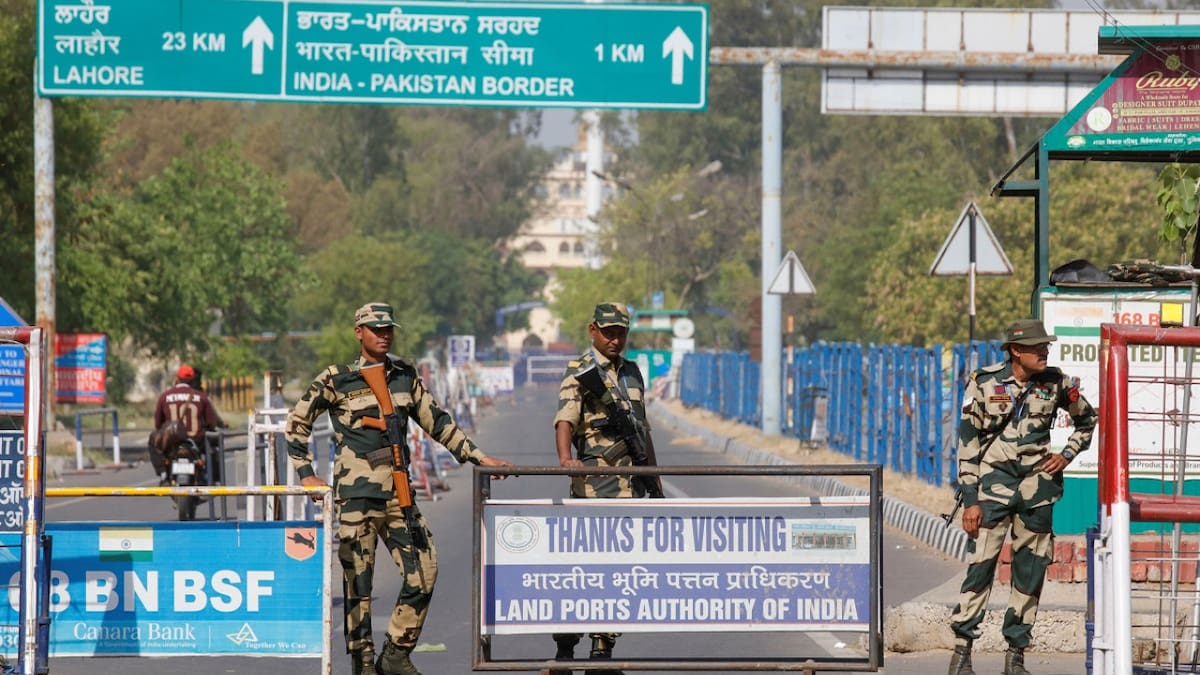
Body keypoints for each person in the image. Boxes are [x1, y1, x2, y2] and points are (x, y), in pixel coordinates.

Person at [285, 302, 514, 675]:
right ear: (359, 332)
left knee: (425, 569)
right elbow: (296, 425)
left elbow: (437, 422)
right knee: (358, 585)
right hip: (356, 499)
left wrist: (478, 457)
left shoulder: (404, 375)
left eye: (388, 328)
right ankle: (363, 664)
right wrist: (306, 474)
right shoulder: (336, 378)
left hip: (399, 495)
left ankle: (396, 651)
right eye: (376, 329)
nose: (384, 334)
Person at [947, 319, 1097, 675]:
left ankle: (1015, 657)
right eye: (1036, 347)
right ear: (1016, 351)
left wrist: (1066, 454)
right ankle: (961, 653)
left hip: (1037, 492)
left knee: (1030, 574)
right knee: (980, 568)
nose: (1044, 351)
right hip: (991, 490)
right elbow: (967, 444)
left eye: (1045, 346)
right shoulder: (984, 383)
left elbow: (1087, 421)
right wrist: (970, 499)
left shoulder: (1056, 382)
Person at [549, 301, 660, 675]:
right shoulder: (580, 370)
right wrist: (567, 460)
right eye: (608, 332)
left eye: (621, 333)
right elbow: (565, 418)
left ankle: (602, 649)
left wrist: (654, 480)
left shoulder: (632, 372)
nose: (615, 339)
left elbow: (642, 429)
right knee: (584, 569)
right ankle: (565, 645)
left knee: (620, 570)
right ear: (593, 330)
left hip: (630, 483)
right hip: (595, 485)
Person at [153, 364, 226, 483]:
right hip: (197, 440)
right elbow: (211, 422)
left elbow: (158, 423)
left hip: (173, 440)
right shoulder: (201, 396)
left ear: (177, 379)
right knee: (216, 442)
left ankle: (163, 473)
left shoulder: (165, 396)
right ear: (193, 380)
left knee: (154, 442)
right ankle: (212, 476)